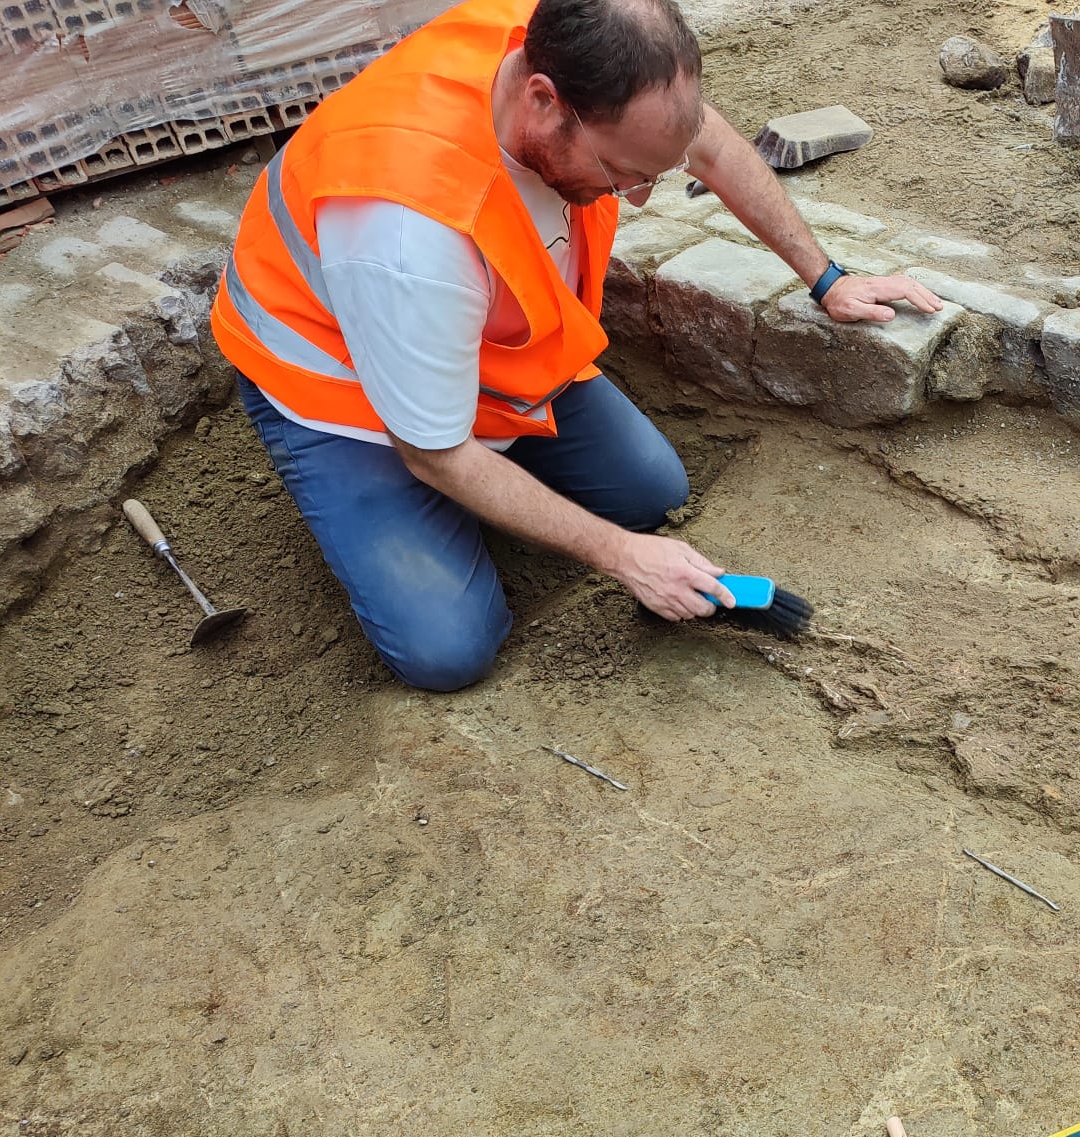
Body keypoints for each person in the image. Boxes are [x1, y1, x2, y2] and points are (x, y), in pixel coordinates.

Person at [212, 0, 942, 690]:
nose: (641, 194)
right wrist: (622, 557)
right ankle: (393, 511)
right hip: (338, 387)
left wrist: (828, 279)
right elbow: (433, 450)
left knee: (653, 490)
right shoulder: (408, 234)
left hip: (475, 358)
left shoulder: (571, 45)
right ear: (542, 103)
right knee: (448, 648)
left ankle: (481, 489)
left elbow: (709, 144)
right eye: (623, 172)